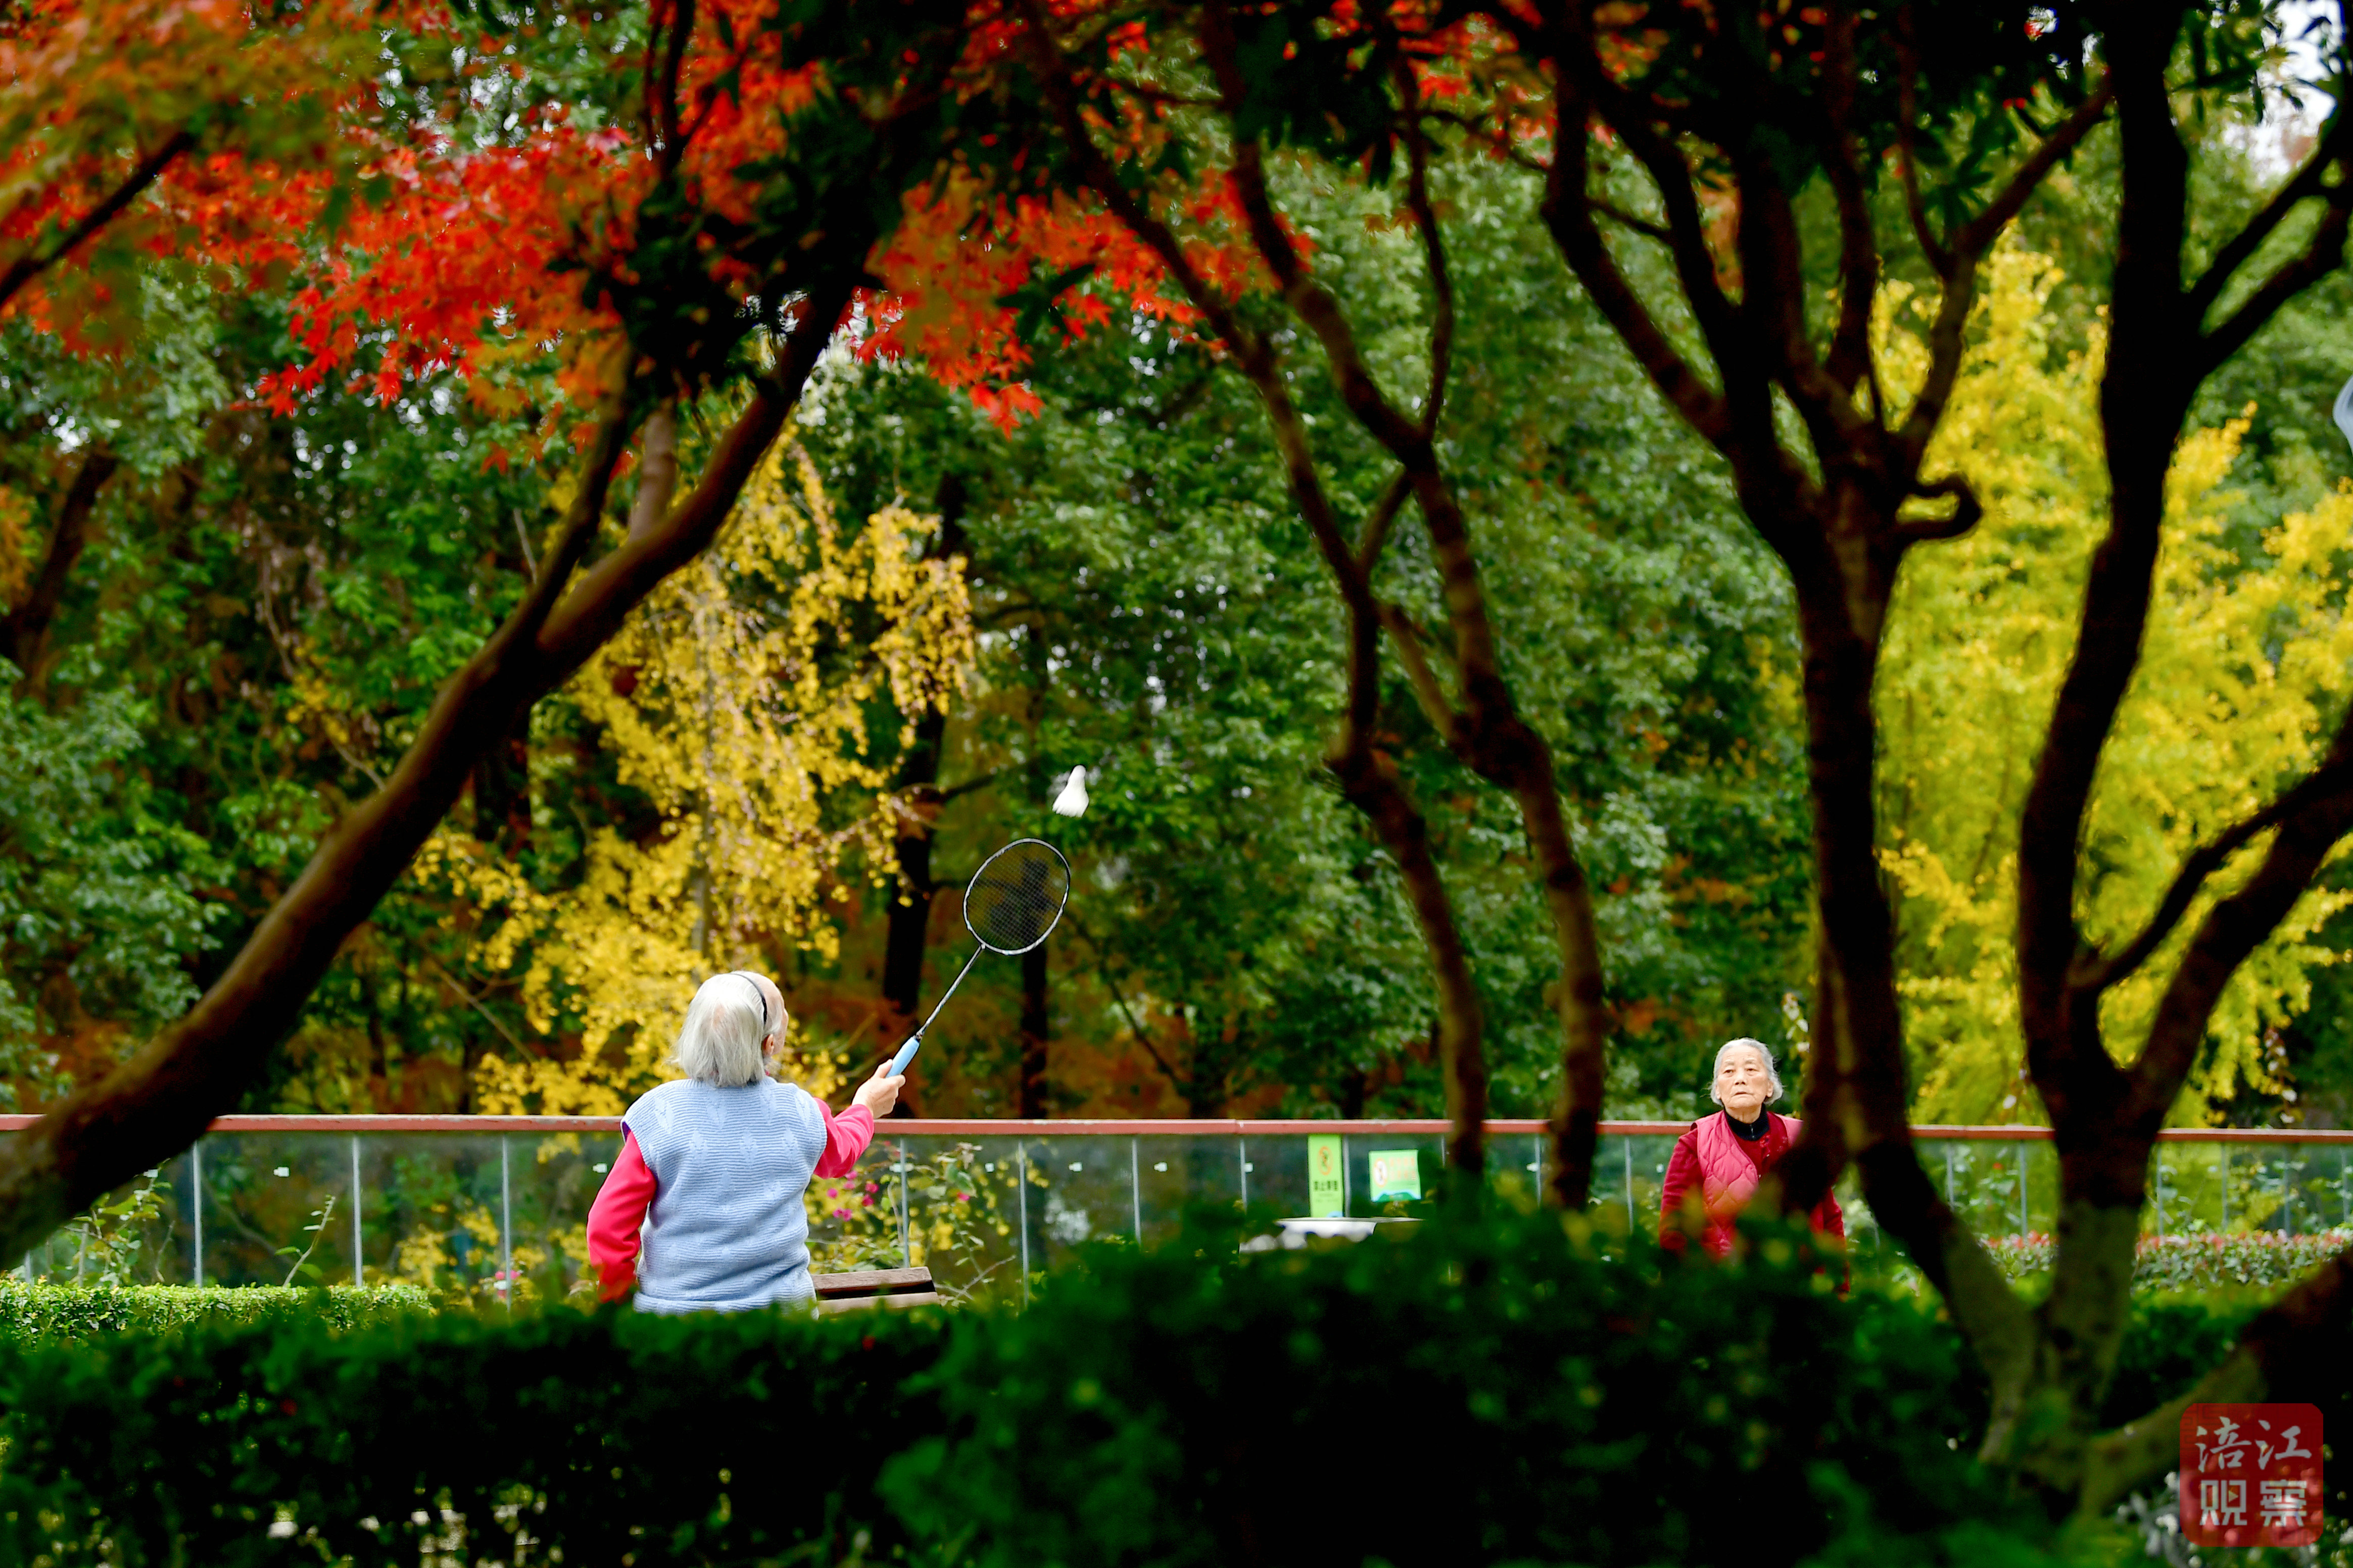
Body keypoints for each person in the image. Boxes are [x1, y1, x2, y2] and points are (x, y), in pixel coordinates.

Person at [586, 970, 904, 1312]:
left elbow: (608, 1227)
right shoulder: (801, 1111)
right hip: (781, 1324)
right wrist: (865, 1107)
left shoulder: (659, 1114)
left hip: (675, 1327)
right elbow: (841, 1154)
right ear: (770, 1045)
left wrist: (618, 1301)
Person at [1658, 1037, 1844, 1261]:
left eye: (1751, 1069)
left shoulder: (1800, 1138)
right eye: (1729, 1072)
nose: (1740, 1079)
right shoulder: (1695, 1143)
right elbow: (1674, 1228)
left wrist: (1837, 1279)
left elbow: (1830, 1219)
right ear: (1717, 1089)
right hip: (1727, 1278)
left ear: (1770, 1086)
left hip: (1800, 1277)